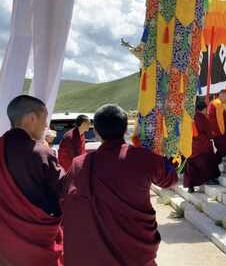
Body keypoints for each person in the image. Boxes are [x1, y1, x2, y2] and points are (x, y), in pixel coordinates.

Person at [62, 104, 178, 266]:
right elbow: (171, 180)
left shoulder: (79, 165)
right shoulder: (144, 158)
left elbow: (65, 202)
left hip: (95, 256)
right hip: (136, 251)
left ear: (95, 132)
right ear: (125, 129)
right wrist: (163, 154)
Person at [0, 95, 65, 265]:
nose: (45, 126)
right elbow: (61, 193)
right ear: (31, 118)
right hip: (36, 240)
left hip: (3, 239)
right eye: (44, 119)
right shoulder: (42, 153)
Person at [184, 100, 221, 193]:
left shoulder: (190, 117)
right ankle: (209, 179)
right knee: (206, 163)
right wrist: (212, 136)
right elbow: (208, 132)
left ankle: (190, 187)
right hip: (202, 145)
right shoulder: (202, 118)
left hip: (191, 146)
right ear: (204, 109)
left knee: (191, 167)